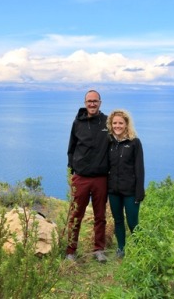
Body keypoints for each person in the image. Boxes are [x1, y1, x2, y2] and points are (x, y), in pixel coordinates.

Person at [66, 89, 109, 263]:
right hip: (81, 177)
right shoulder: (78, 123)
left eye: (95, 101)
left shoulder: (107, 122)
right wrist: (72, 172)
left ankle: (99, 249)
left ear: (100, 102)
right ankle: (70, 250)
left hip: (101, 177)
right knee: (76, 216)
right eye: (89, 101)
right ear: (85, 103)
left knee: (100, 216)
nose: (92, 104)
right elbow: (71, 147)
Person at [106, 109, 145, 259]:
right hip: (113, 190)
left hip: (130, 191)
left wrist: (139, 191)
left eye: (120, 123)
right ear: (111, 124)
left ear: (126, 124)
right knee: (118, 220)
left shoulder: (135, 142)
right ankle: (121, 248)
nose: (117, 125)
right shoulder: (109, 142)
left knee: (133, 222)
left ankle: (140, 249)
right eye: (114, 123)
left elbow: (139, 168)